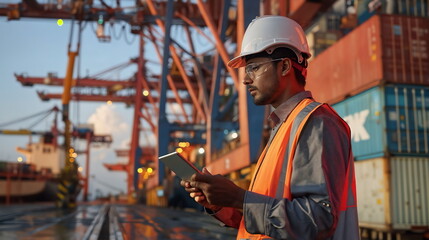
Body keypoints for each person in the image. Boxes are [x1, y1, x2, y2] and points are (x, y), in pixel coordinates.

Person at [181, 15, 359, 240]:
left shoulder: (316, 122)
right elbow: (259, 222)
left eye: (254, 68)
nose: (245, 79)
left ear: (284, 66)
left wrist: (239, 198)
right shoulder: (284, 127)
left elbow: (317, 221)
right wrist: (219, 203)